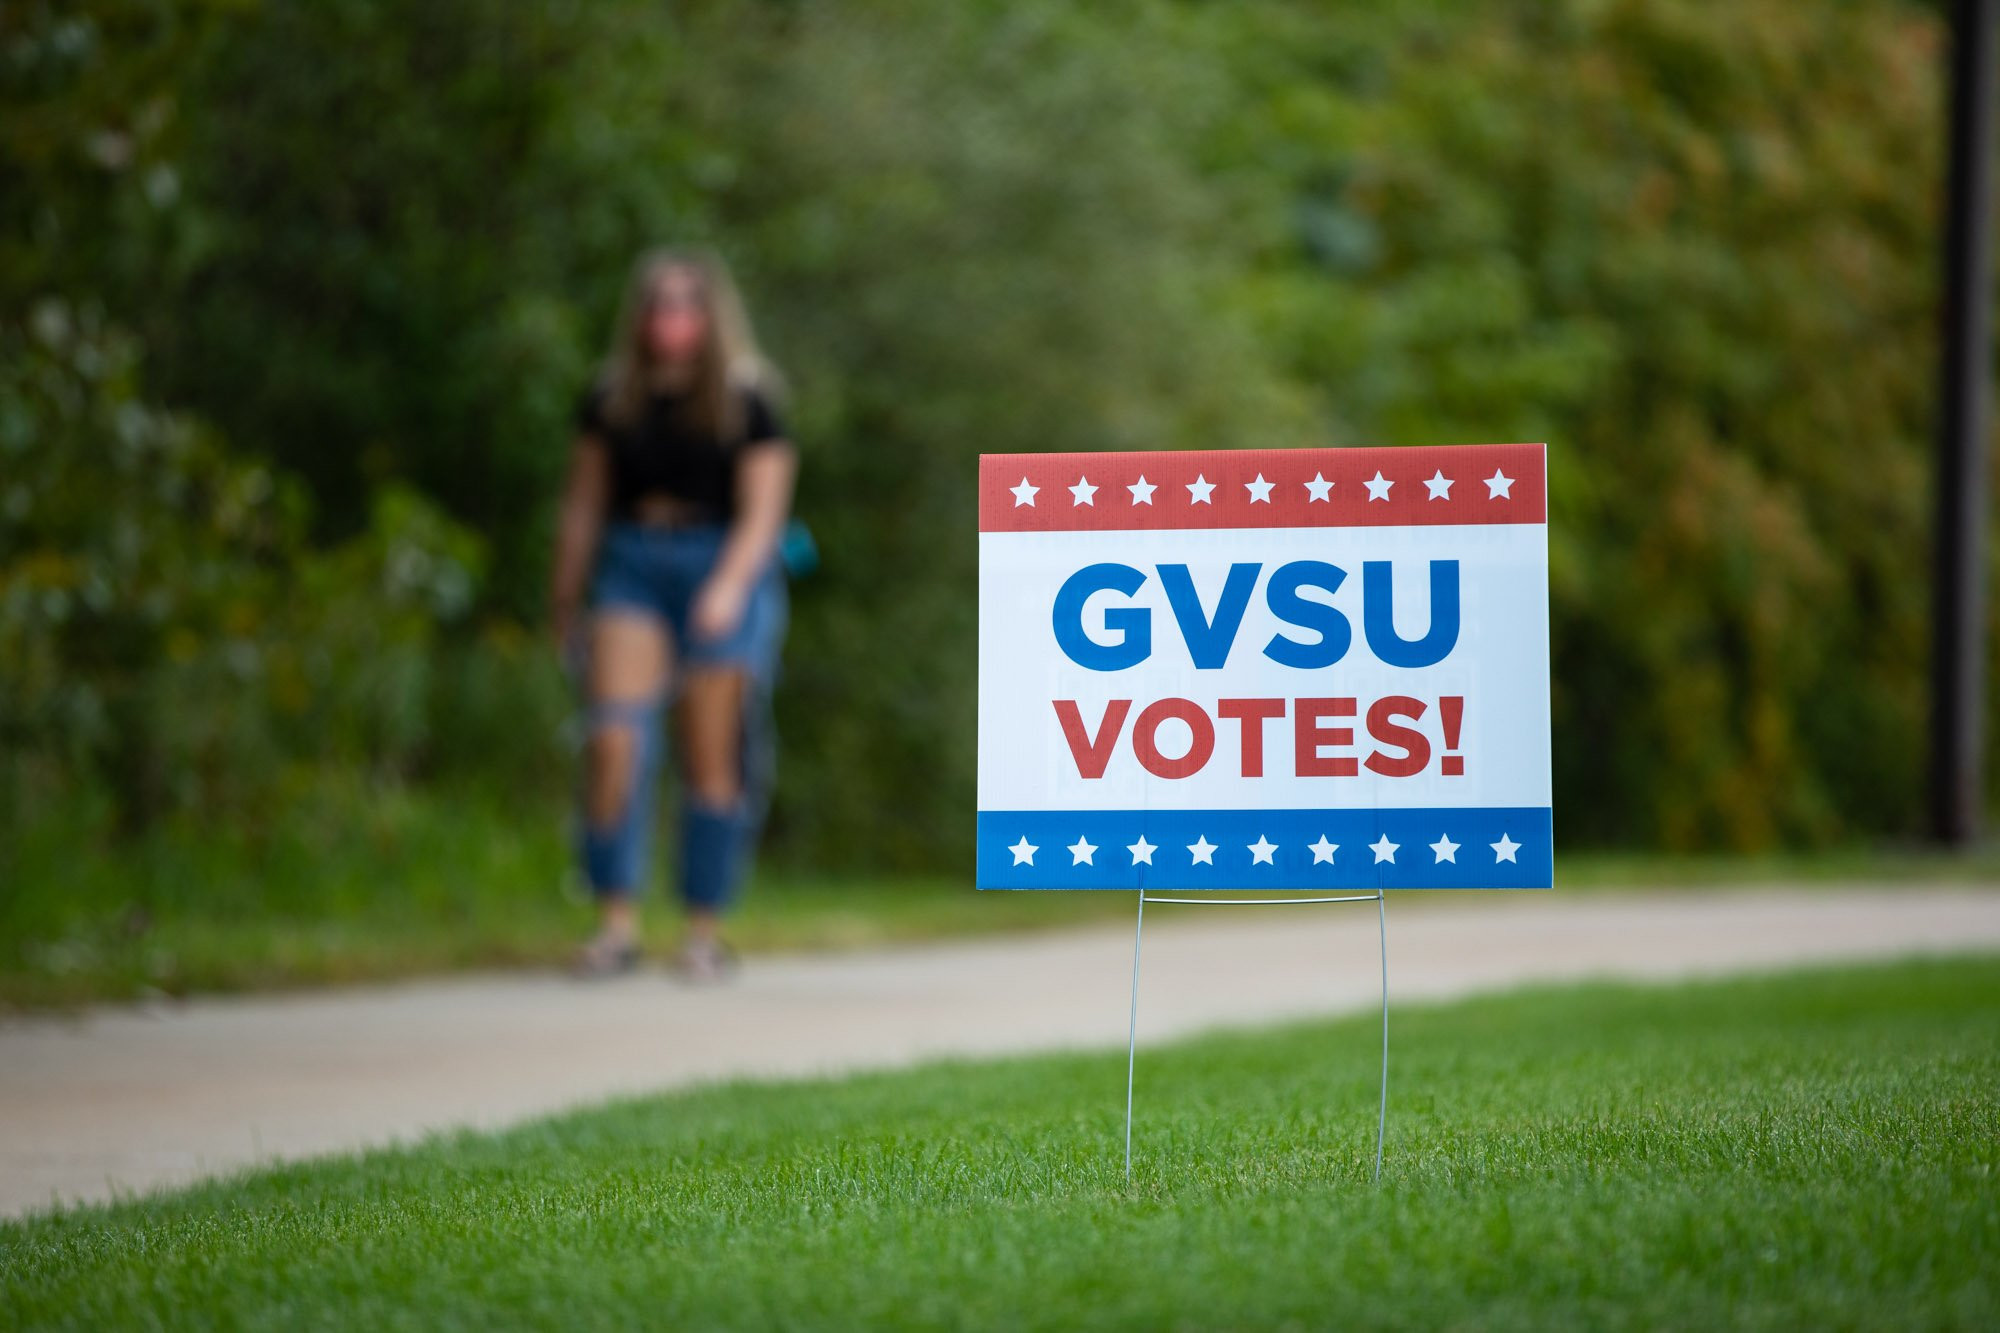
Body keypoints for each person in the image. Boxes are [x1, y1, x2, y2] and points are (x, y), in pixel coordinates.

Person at [549, 248, 796, 980]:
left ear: (710, 315)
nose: (671, 318)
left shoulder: (748, 401)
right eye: (659, 304)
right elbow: (584, 506)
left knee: (710, 755)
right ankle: (616, 921)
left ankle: (701, 928)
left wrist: (727, 587)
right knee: (613, 741)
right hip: (633, 566)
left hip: (720, 561)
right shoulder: (612, 399)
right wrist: (566, 598)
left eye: (687, 304)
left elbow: (764, 515)